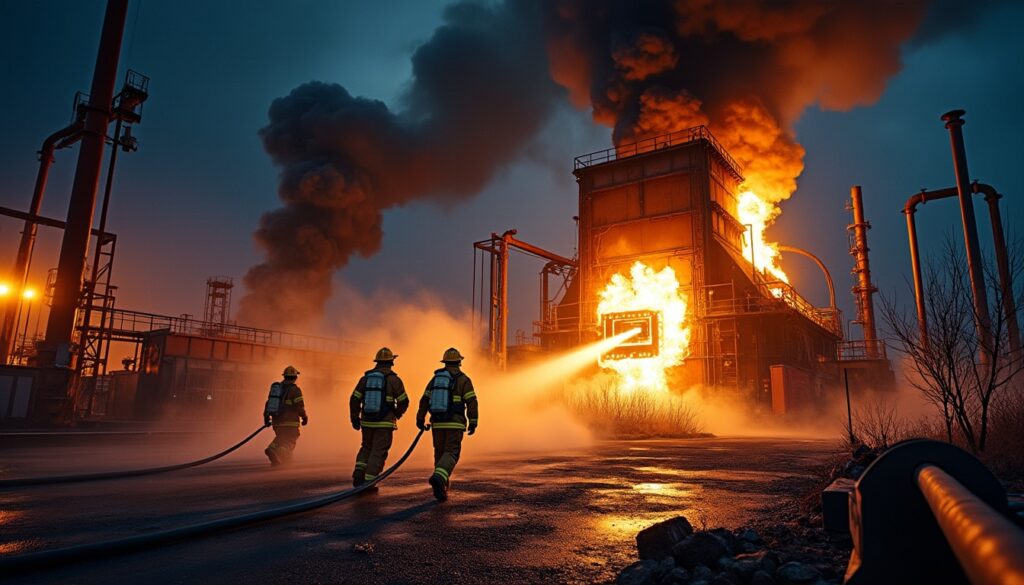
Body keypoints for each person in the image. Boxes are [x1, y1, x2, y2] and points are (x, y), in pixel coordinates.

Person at [417, 347, 478, 501]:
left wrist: (420, 418)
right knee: (451, 452)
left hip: (437, 423)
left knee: (440, 452)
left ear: (444, 362)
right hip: (455, 424)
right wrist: (473, 421)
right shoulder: (464, 380)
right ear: (459, 362)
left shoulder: (435, 379)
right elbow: (472, 402)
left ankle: (441, 487)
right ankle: (439, 478)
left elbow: (424, 400)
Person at [350, 347, 409, 488]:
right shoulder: (394, 380)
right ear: (391, 362)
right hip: (384, 423)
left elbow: (354, 399)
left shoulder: (365, 379)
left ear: (376, 362)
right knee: (378, 451)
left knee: (366, 447)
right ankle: (369, 482)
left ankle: (359, 472)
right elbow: (404, 401)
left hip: (367, 422)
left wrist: (355, 418)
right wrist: (397, 414)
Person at [263, 365, 308, 466]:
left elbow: (268, 403)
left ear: (284, 376)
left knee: (280, 438)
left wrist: (266, 417)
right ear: (295, 377)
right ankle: (282, 455)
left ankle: (272, 449)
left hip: (276, 421)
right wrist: (304, 417)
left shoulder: (278, 389)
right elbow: (300, 406)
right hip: (290, 421)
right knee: (291, 439)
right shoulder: (295, 390)